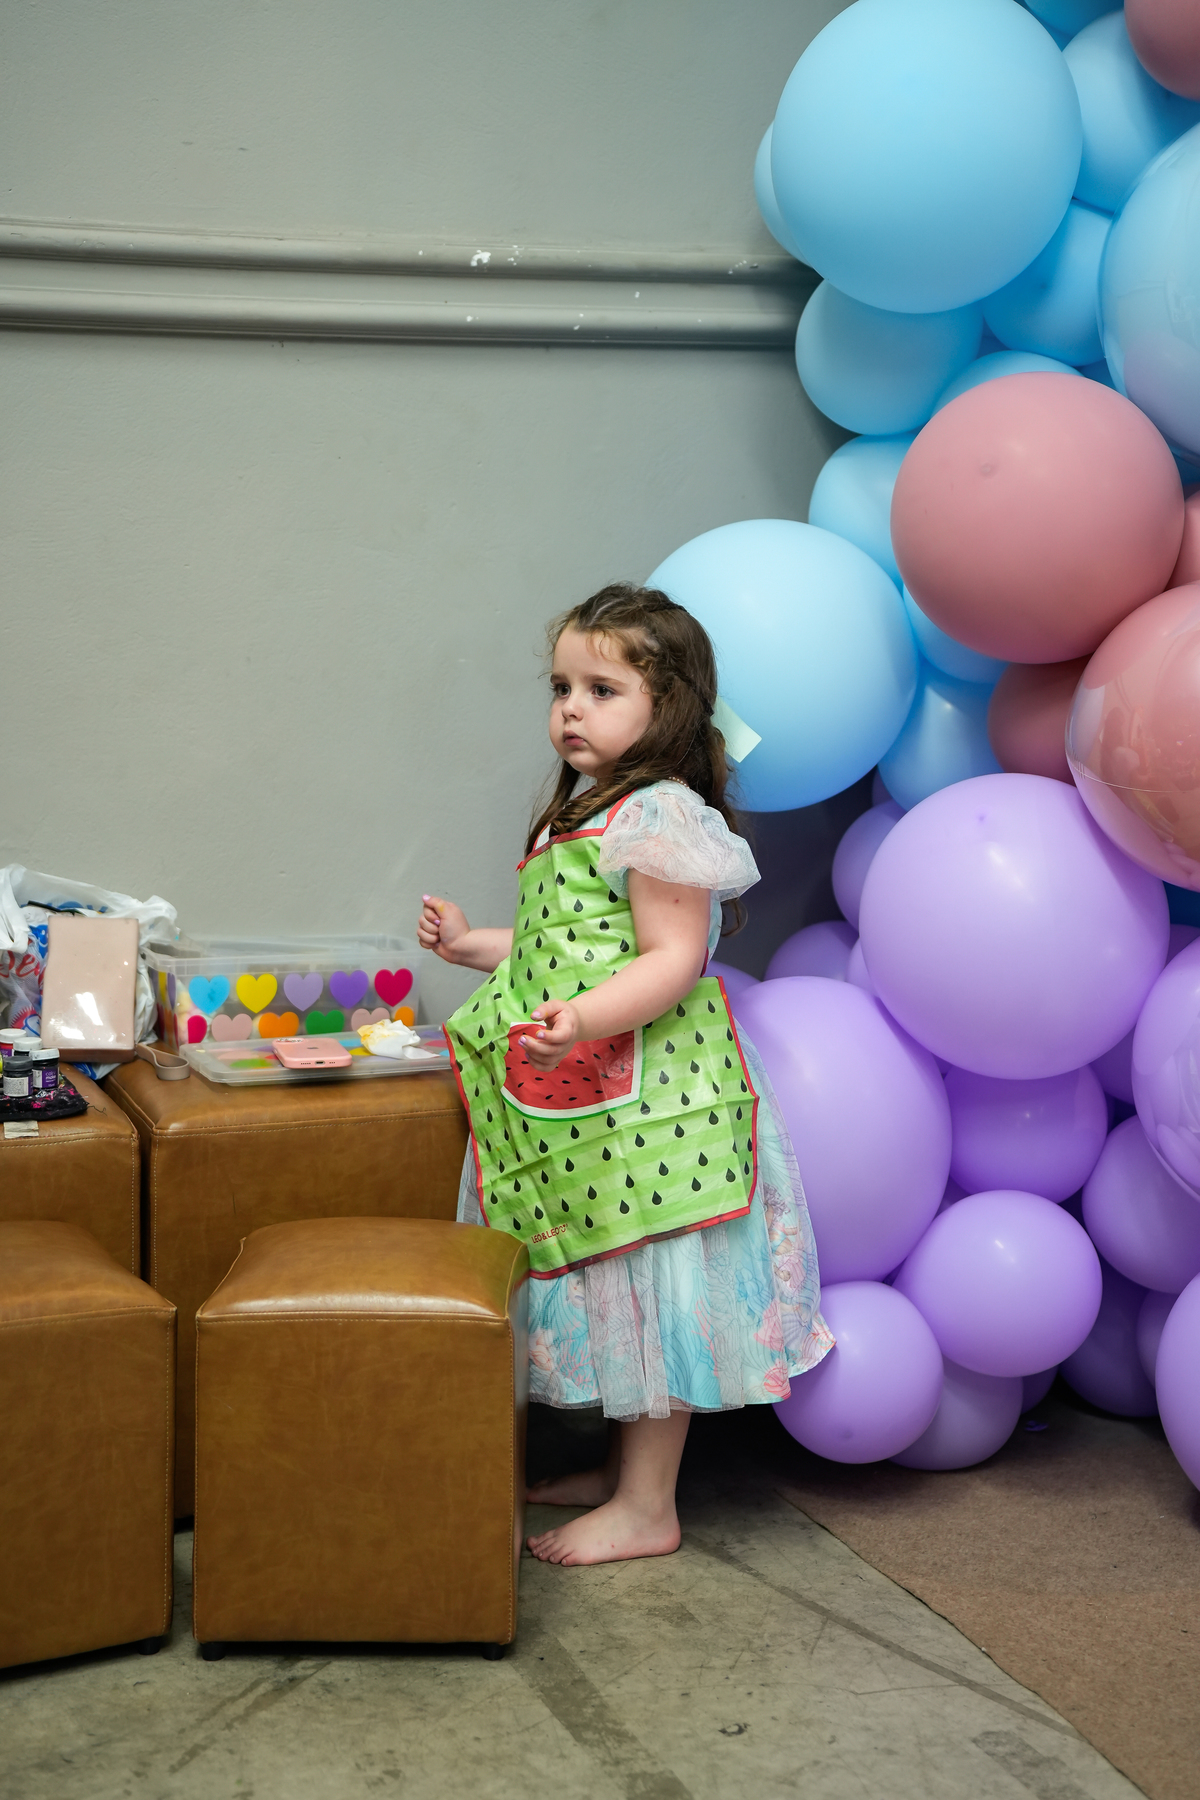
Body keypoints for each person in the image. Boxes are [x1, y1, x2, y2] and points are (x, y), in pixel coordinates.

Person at [418, 583, 832, 1567]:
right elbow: (565, 943)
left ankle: (649, 1507)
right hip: (597, 1099)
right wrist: (475, 945)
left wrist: (583, 1020)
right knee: (618, 1271)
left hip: (658, 1103)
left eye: (601, 690)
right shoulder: (583, 814)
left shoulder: (661, 816)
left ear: (668, 704)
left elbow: (671, 956)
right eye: (561, 687)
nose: (571, 708)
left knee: (656, 1279)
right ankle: (618, 1473)